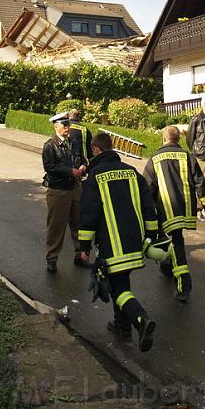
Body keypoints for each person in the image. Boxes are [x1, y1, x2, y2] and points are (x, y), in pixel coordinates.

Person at [78, 132, 159, 351]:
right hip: (135, 242)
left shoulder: (95, 176)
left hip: (111, 244)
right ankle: (122, 323)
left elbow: (88, 214)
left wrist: (83, 246)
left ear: (95, 149)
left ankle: (140, 319)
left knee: (118, 288)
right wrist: (151, 236)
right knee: (122, 281)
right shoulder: (132, 172)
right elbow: (148, 206)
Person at [142, 125, 205, 302]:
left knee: (175, 243)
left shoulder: (155, 158)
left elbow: (147, 188)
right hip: (185, 208)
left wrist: (146, 213)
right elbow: (199, 182)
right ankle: (167, 267)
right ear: (178, 139)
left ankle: (183, 285)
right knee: (175, 239)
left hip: (165, 208)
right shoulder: (187, 156)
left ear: (164, 139)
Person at [41, 111, 91, 273]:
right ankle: (52, 259)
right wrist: (70, 172)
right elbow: (50, 167)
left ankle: (80, 256)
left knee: (79, 224)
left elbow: (82, 158)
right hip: (59, 191)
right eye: (65, 125)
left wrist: (83, 166)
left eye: (68, 124)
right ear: (56, 127)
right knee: (56, 227)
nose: (68, 127)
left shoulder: (74, 142)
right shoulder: (50, 145)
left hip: (76, 188)